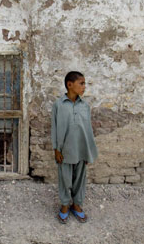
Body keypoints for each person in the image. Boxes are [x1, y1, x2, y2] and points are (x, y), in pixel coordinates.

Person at [51, 71, 98, 223]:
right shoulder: (58, 105)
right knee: (65, 179)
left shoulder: (85, 106)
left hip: (81, 149)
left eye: (85, 83)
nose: (84, 87)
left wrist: (88, 151)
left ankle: (77, 204)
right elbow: (55, 128)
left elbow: (88, 129)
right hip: (65, 150)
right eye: (81, 83)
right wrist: (56, 149)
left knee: (80, 178)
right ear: (70, 85)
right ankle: (65, 205)